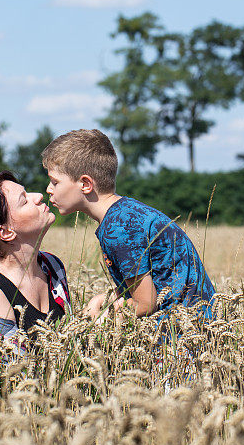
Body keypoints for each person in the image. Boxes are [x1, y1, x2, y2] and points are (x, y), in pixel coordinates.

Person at [42, 129, 215, 321]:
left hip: (180, 335)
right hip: (199, 322)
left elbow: (145, 304)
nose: (48, 189)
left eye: (54, 182)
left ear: (85, 184)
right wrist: (107, 297)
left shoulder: (118, 228)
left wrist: (97, 315)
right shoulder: (127, 213)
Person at [0, 171, 71, 352]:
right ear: (5, 232)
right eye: (24, 200)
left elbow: (67, 344)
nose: (39, 196)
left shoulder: (52, 265)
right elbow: (9, 371)